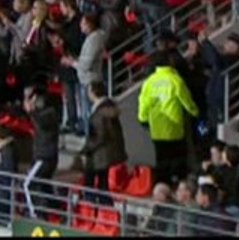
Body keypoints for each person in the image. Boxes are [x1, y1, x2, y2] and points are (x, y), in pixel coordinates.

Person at [137, 51, 199, 186]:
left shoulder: (149, 82)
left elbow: (144, 103)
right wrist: (195, 112)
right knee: (177, 158)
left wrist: (143, 119)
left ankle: (162, 184)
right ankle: (177, 183)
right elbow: (186, 101)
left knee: (161, 159)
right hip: (174, 128)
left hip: (157, 129)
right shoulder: (175, 80)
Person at [79, 82, 127, 206]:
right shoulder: (108, 108)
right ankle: (105, 210)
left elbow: (99, 136)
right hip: (107, 154)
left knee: (92, 182)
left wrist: (86, 149)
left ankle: (92, 208)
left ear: (93, 92)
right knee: (102, 184)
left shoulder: (100, 112)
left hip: (100, 155)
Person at [22, 85, 60, 219]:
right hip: (42, 156)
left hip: (45, 157)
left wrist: (31, 112)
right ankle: (58, 209)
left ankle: (36, 215)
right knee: (44, 185)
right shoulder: (41, 113)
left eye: (34, 97)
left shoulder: (50, 113)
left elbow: (43, 123)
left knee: (28, 184)